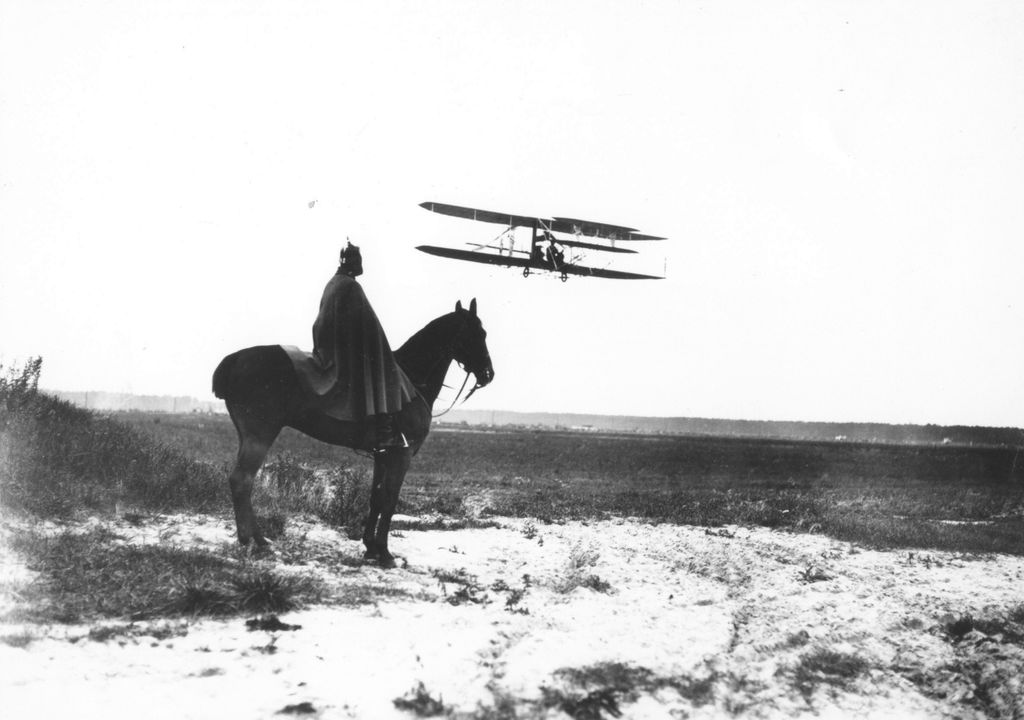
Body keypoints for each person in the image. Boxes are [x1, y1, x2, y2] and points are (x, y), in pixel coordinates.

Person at [312, 241, 415, 450]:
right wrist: (381, 349)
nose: (361, 264)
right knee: (382, 369)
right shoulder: (351, 286)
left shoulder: (333, 283)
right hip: (343, 355)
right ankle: (384, 430)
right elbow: (370, 327)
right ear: (350, 261)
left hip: (328, 349)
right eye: (358, 260)